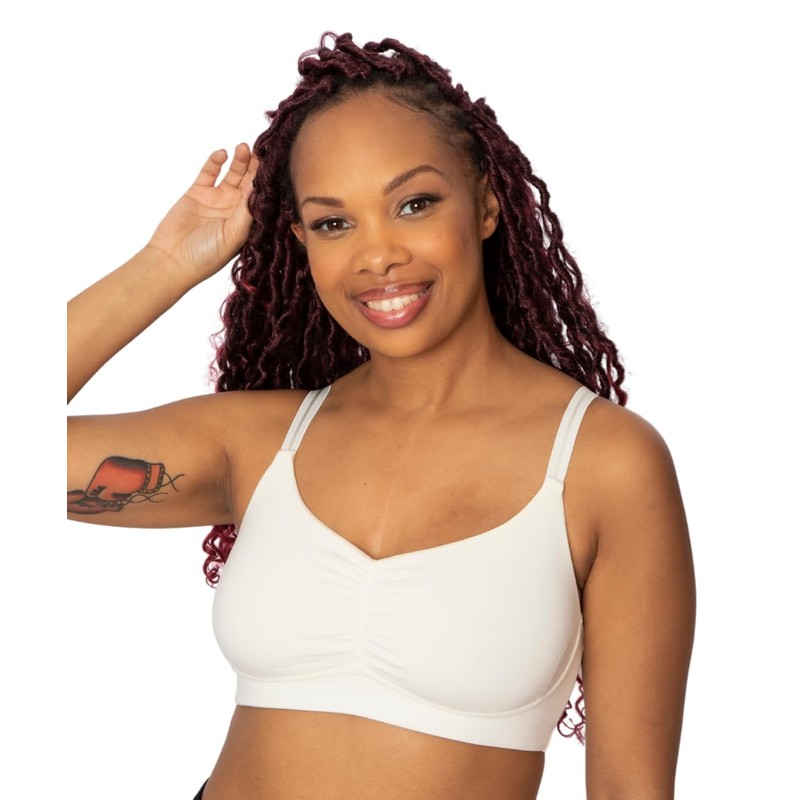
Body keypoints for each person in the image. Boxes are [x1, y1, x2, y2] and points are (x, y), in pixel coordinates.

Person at [67, 32, 695, 800]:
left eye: (414, 204)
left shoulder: (605, 464)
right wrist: (165, 265)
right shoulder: (259, 443)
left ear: (486, 203)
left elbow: (631, 788)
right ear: (300, 241)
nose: (377, 256)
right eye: (334, 223)